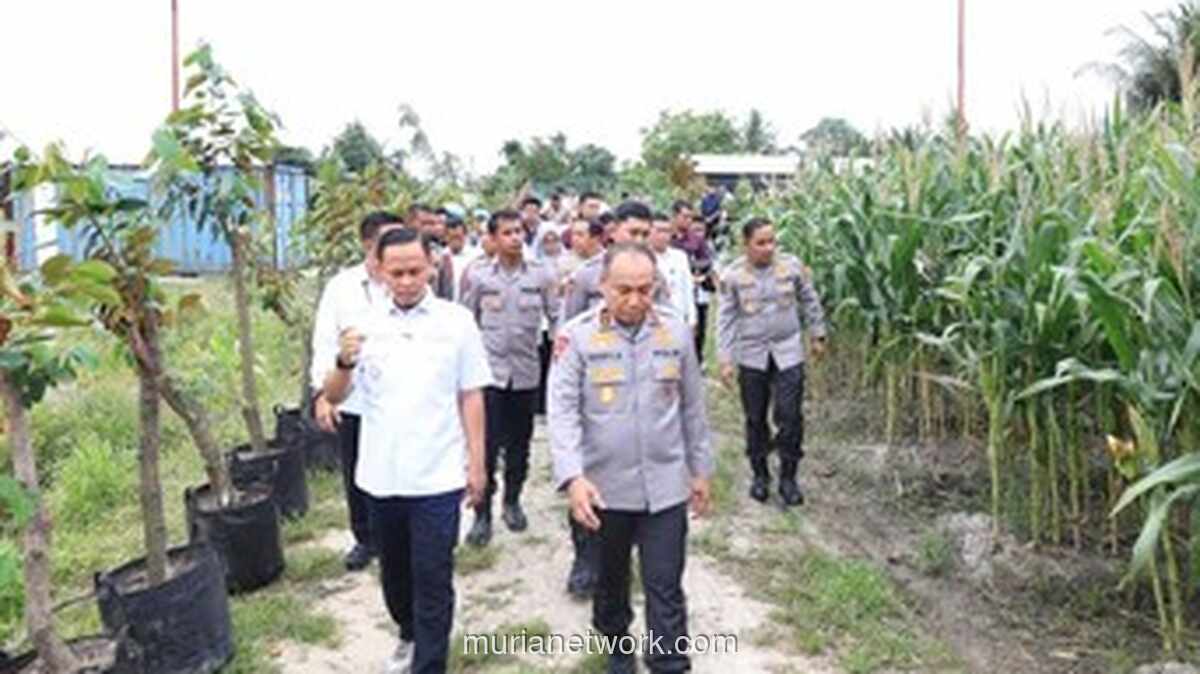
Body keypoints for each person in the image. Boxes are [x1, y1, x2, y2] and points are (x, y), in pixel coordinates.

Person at [324, 226, 491, 674]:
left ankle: (430, 662)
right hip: (381, 475)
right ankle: (409, 632)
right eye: (395, 272)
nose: (406, 281)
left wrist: (478, 465)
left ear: (431, 267)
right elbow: (335, 395)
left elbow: (471, 395)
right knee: (395, 577)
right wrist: (343, 362)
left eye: (415, 270)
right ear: (379, 271)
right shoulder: (363, 330)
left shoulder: (456, 322)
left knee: (433, 575)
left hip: (438, 474)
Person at [548, 242, 714, 674]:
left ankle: (669, 661)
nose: (636, 299)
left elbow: (693, 407)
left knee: (665, 584)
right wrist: (572, 478)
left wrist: (700, 470)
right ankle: (617, 644)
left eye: (645, 289)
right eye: (624, 289)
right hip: (604, 488)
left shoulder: (675, 333)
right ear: (602, 285)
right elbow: (562, 413)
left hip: (665, 485)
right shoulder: (577, 337)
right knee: (611, 581)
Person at [556, 200, 673, 600]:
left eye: (646, 233)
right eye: (633, 232)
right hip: (595, 399)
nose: (640, 239)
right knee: (592, 493)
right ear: (613, 232)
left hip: (640, 390)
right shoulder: (586, 277)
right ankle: (585, 560)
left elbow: (666, 326)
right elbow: (566, 333)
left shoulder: (654, 278)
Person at [459, 210, 560, 545]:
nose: (515, 238)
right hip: (489, 375)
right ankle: (482, 513)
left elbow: (556, 317)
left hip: (526, 372)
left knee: (520, 443)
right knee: (486, 446)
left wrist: (560, 353)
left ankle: (513, 501)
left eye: (518, 232)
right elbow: (465, 321)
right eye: (507, 233)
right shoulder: (478, 277)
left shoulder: (542, 275)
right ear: (493, 238)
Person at [310, 210, 401, 572]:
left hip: (401, 397)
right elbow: (323, 341)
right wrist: (322, 393)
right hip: (354, 396)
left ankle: (397, 533)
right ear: (367, 244)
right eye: (387, 240)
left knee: (398, 466)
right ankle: (365, 538)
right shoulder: (342, 287)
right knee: (356, 469)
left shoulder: (408, 282)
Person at [717, 217, 828, 507]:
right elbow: (726, 319)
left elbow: (809, 299)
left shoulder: (791, 267)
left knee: (790, 416)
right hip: (752, 356)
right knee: (755, 418)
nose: (768, 248)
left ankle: (789, 477)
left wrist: (817, 333)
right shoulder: (733, 276)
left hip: (788, 351)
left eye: (772, 241)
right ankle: (760, 474)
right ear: (746, 244)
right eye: (761, 243)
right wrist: (726, 358)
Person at [650, 212, 697, 333]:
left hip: (678, 317)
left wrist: (692, 319)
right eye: (659, 231)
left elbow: (687, 289)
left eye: (667, 231)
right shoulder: (644, 258)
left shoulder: (679, 257)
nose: (663, 236)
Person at [446, 216, 481, 302]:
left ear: (465, 235)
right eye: (452, 237)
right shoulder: (442, 258)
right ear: (446, 237)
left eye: (458, 237)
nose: (455, 241)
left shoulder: (477, 256)